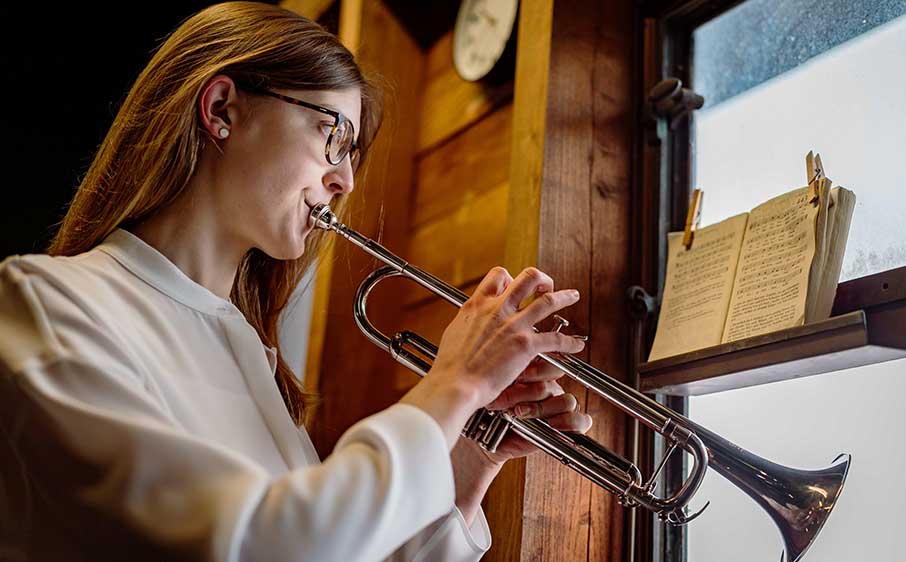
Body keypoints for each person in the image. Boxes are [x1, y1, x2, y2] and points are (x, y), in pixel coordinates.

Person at [0, 3, 592, 561]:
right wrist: (455, 384)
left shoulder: (251, 355)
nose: (346, 181)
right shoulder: (46, 302)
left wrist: (467, 452)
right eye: (333, 135)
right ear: (222, 110)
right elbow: (263, 544)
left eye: (352, 153)